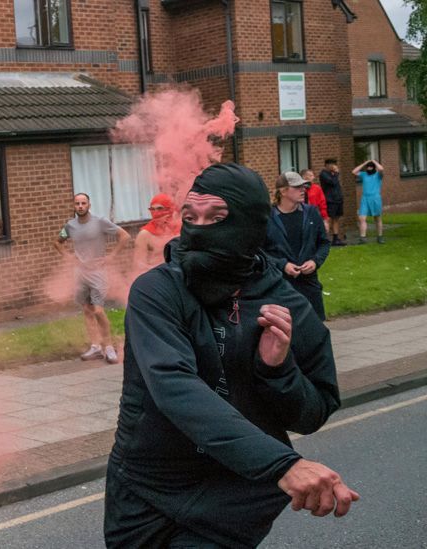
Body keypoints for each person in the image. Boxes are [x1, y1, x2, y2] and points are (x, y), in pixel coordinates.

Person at [105, 164, 358, 548]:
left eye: (217, 218)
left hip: (235, 493)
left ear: (251, 225)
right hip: (147, 487)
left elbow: (314, 412)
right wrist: (282, 464)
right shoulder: (157, 291)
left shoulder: (290, 304)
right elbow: (173, 384)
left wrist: (277, 370)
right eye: (190, 217)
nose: (200, 228)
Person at [53, 193, 130, 362]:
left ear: (89, 205)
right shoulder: (70, 226)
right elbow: (58, 242)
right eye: (77, 203)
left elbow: (124, 236)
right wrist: (69, 257)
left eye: (83, 203)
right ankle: (95, 347)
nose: (80, 206)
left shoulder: (100, 222)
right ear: (74, 206)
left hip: (97, 272)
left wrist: (112, 256)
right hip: (80, 273)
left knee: (98, 310)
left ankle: (109, 347)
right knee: (87, 310)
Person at [265, 172, 331, 320]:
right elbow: (260, 251)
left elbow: (324, 243)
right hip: (281, 285)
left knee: (316, 330)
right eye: (297, 187)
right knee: (287, 332)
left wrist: (315, 261)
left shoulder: (312, 213)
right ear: (282, 191)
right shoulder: (268, 217)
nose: (303, 190)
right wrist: (283, 265)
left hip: (309, 284)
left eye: (304, 186)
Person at [132, 193, 181, 270]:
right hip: (158, 276)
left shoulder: (180, 230)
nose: (156, 213)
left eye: (160, 208)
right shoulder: (145, 234)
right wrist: (160, 272)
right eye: (152, 209)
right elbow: (138, 264)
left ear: (170, 209)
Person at [352, 159, 385, 244]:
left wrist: (374, 161)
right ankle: (363, 238)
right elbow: (354, 171)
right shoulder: (364, 175)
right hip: (365, 198)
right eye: (368, 167)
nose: (369, 168)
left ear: (374, 167)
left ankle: (380, 237)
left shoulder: (378, 175)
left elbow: (381, 169)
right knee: (362, 218)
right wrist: (365, 163)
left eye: (371, 167)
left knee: (377, 218)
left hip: (375, 198)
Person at [319, 159, 346, 246]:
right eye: (332, 164)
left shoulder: (333, 174)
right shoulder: (323, 174)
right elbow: (332, 182)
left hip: (338, 199)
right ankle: (325, 238)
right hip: (330, 200)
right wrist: (336, 173)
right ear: (327, 165)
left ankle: (335, 238)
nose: (334, 166)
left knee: (336, 218)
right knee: (329, 218)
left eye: (334, 164)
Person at [301, 168, 330, 235]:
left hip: (315, 214)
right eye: (311, 176)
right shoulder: (299, 188)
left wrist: (325, 219)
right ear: (305, 177)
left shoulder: (316, 188)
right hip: (302, 214)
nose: (313, 177)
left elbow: (322, 203)